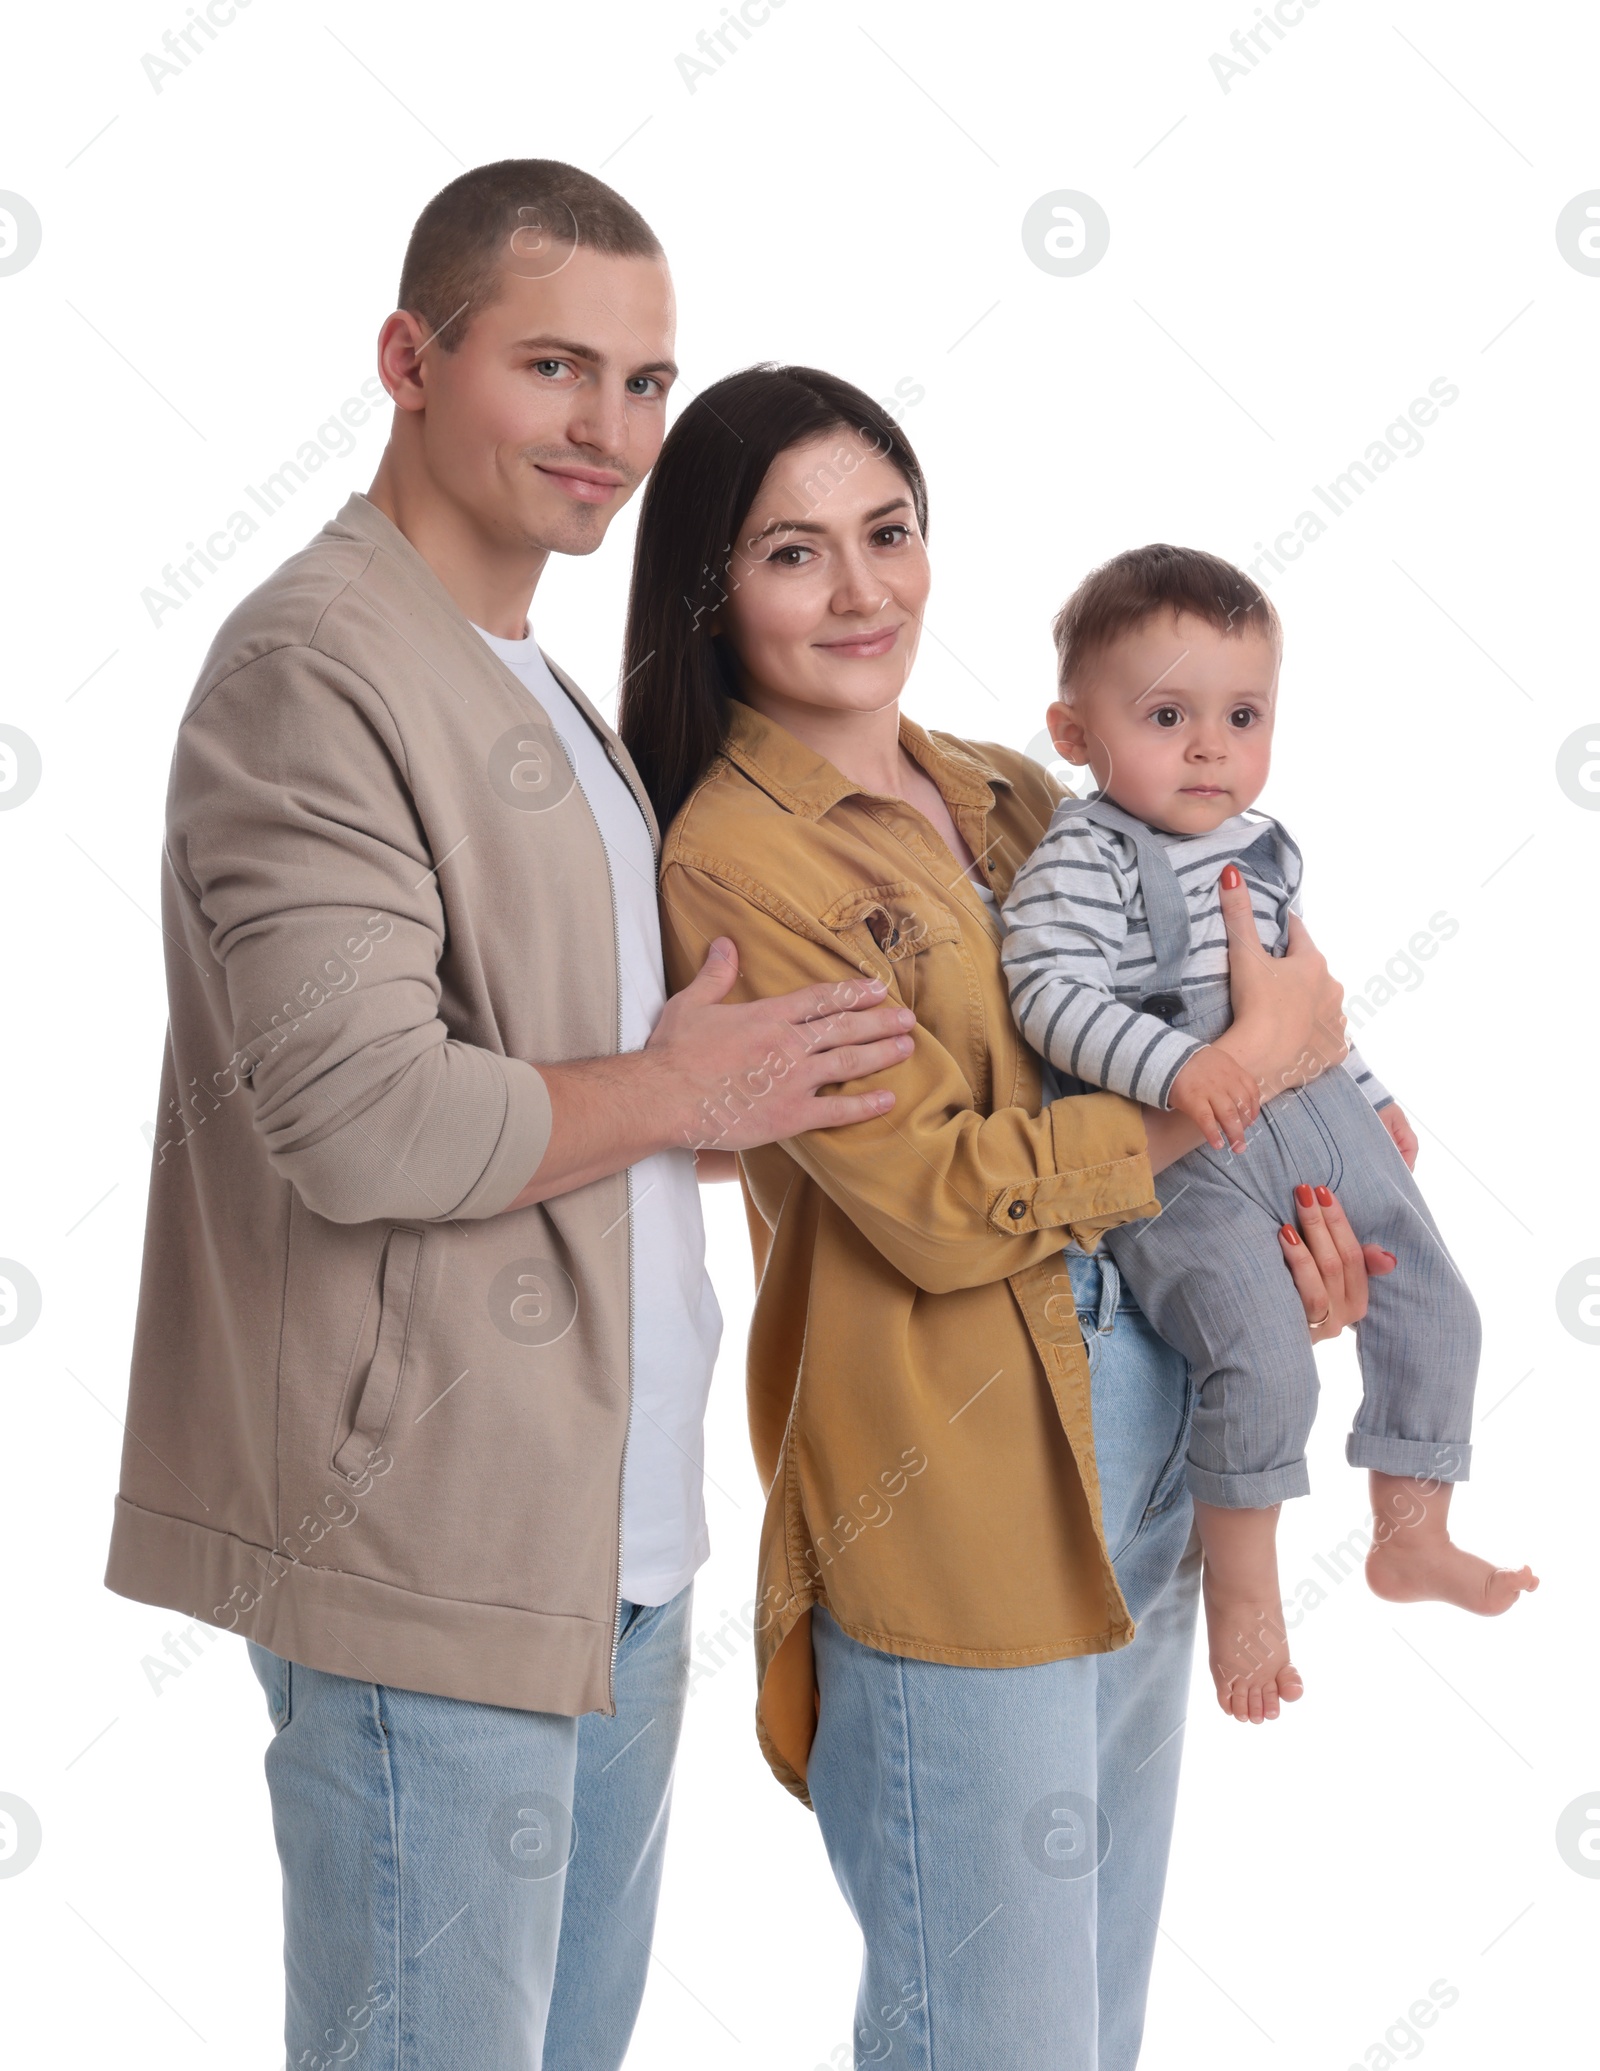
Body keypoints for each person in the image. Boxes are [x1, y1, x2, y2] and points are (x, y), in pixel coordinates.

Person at [102, 163, 918, 2070]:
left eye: (643, 384)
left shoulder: (541, 690)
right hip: (424, 1555)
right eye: (555, 367)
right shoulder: (315, 669)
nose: (610, 432)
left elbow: (586, 1100)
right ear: (408, 357)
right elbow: (368, 1119)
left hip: (609, 1559)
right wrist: (685, 1082)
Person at [620, 363, 1392, 2068]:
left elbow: (1191, 1043)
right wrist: (1248, 1071)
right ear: (710, 588)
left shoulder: (1012, 795)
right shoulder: (739, 862)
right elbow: (943, 1202)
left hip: (1153, 1445)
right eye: (793, 553)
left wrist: (1285, 1243)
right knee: (998, 2038)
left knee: (1091, 2023)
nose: (862, 588)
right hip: (954, 1488)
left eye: (886, 534)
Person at [1001, 543, 1536, 1725]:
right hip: (1178, 1143)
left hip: (1310, 1105)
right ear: (1075, 732)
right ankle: (1244, 1593)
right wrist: (1187, 1064)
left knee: (1437, 1298)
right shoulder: (1083, 861)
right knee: (1260, 1356)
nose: (1210, 748)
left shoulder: (1256, 848)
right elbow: (1046, 993)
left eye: (1241, 715)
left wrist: (1369, 1085)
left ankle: (1411, 1531)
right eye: (1167, 715)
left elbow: (1303, 994)